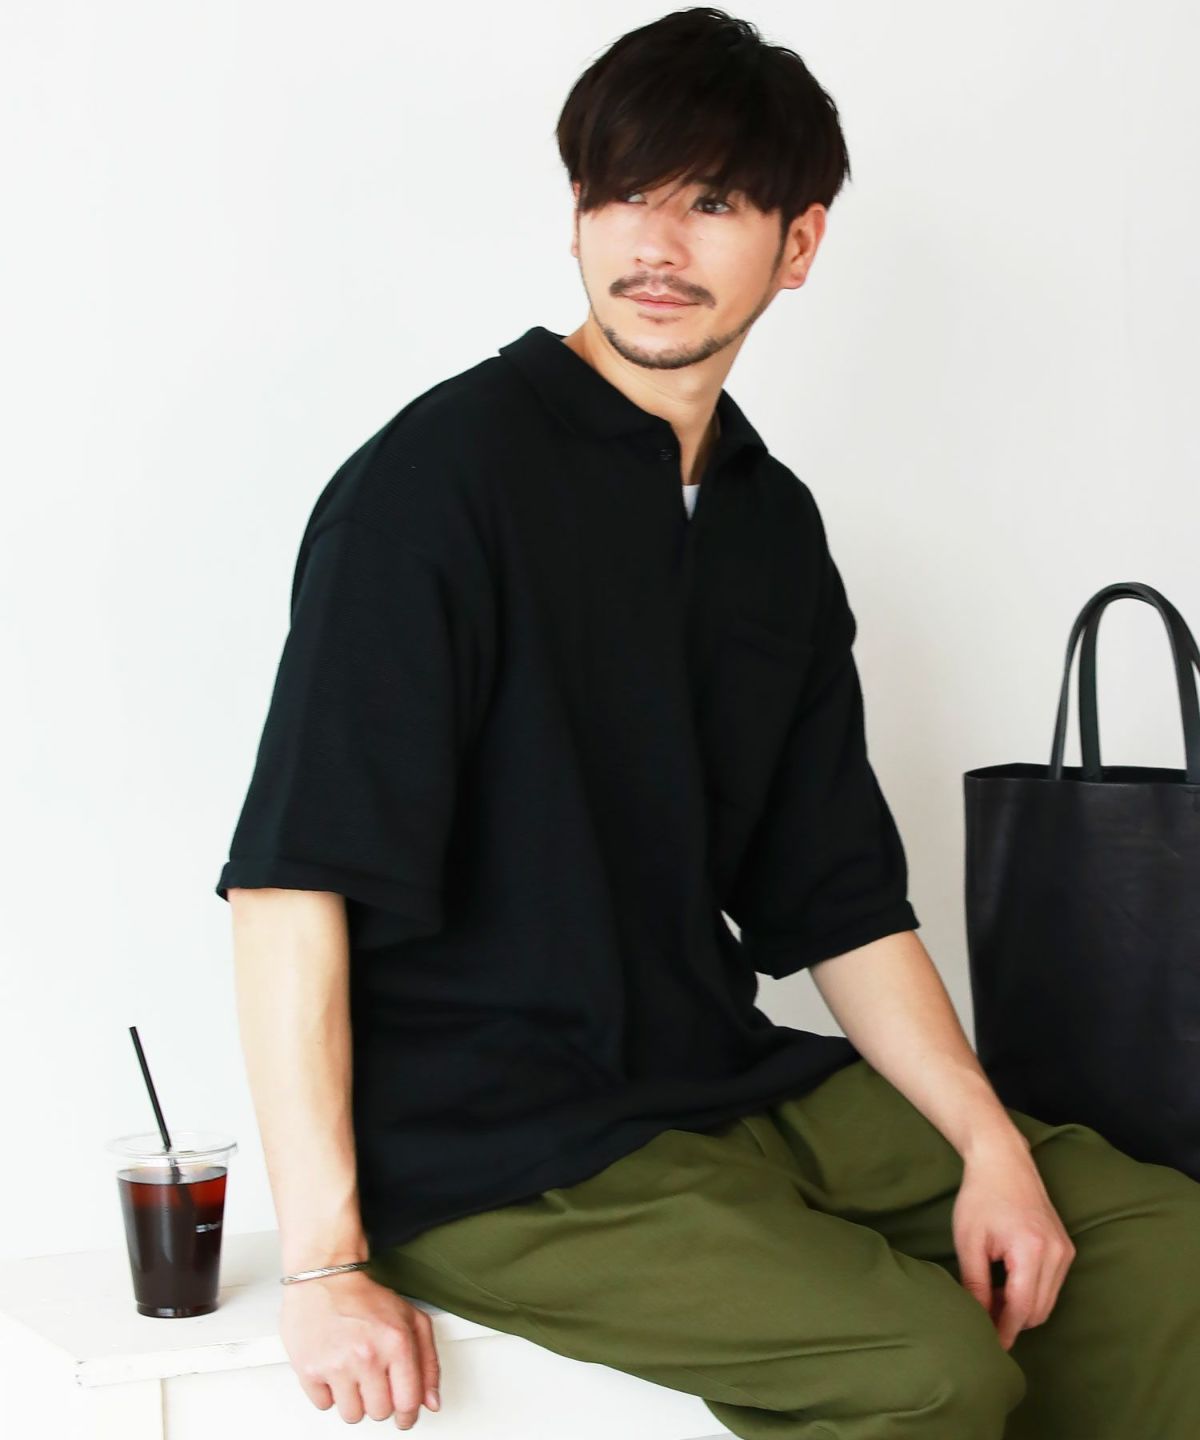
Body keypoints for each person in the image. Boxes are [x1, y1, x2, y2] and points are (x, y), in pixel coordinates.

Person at [217, 7, 1200, 1437]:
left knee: (1161, 1252)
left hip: (716, 1084)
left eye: (716, 204)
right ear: (575, 213)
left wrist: (991, 1145)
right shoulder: (434, 487)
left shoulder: (768, 524)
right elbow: (289, 883)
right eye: (624, 195)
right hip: (488, 1145)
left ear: (800, 245)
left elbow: (840, 901)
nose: (656, 246)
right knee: (920, 1364)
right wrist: (324, 1263)